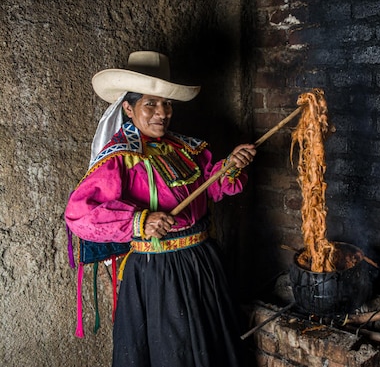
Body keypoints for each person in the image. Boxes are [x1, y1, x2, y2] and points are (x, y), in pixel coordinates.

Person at [65, 51, 256, 367]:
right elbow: (79, 214)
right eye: (149, 104)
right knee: (174, 351)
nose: (162, 113)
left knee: (214, 346)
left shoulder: (183, 148)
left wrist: (231, 166)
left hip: (203, 263)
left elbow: (212, 188)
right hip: (159, 273)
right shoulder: (121, 158)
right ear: (128, 108)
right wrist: (140, 221)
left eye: (167, 104)